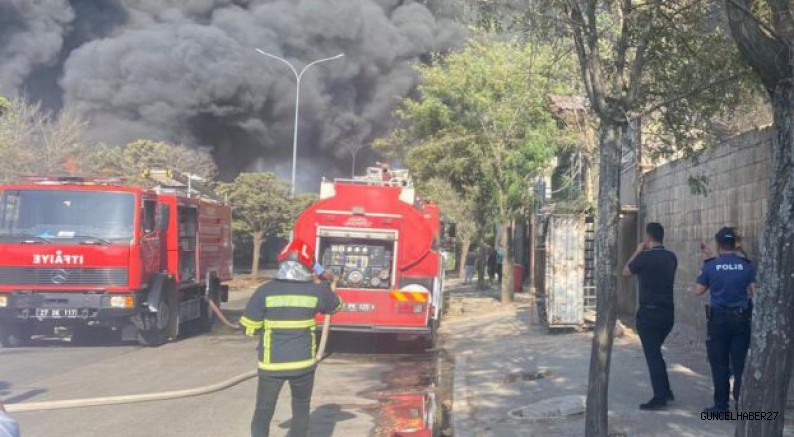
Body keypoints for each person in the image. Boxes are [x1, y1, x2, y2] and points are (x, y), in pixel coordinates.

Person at [240, 240, 343, 437]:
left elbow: (249, 328)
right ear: (308, 266)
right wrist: (325, 284)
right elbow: (337, 306)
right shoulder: (316, 291)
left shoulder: (265, 290)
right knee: (301, 410)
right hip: (303, 366)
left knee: (263, 411)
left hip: (272, 366)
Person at [694, 227, 755, 414]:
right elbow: (755, 292)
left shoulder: (711, 265)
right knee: (740, 365)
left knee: (719, 364)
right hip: (741, 320)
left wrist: (705, 263)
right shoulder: (746, 265)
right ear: (734, 243)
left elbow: (698, 291)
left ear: (719, 244)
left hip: (718, 321)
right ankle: (741, 405)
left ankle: (721, 407)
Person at [622, 222, 677, 410]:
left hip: (649, 315)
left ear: (647, 237)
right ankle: (666, 389)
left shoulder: (644, 258)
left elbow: (626, 271)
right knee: (656, 352)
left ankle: (660, 397)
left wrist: (638, 251)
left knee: (652, 354)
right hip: (668, 314)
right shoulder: (671, 257)